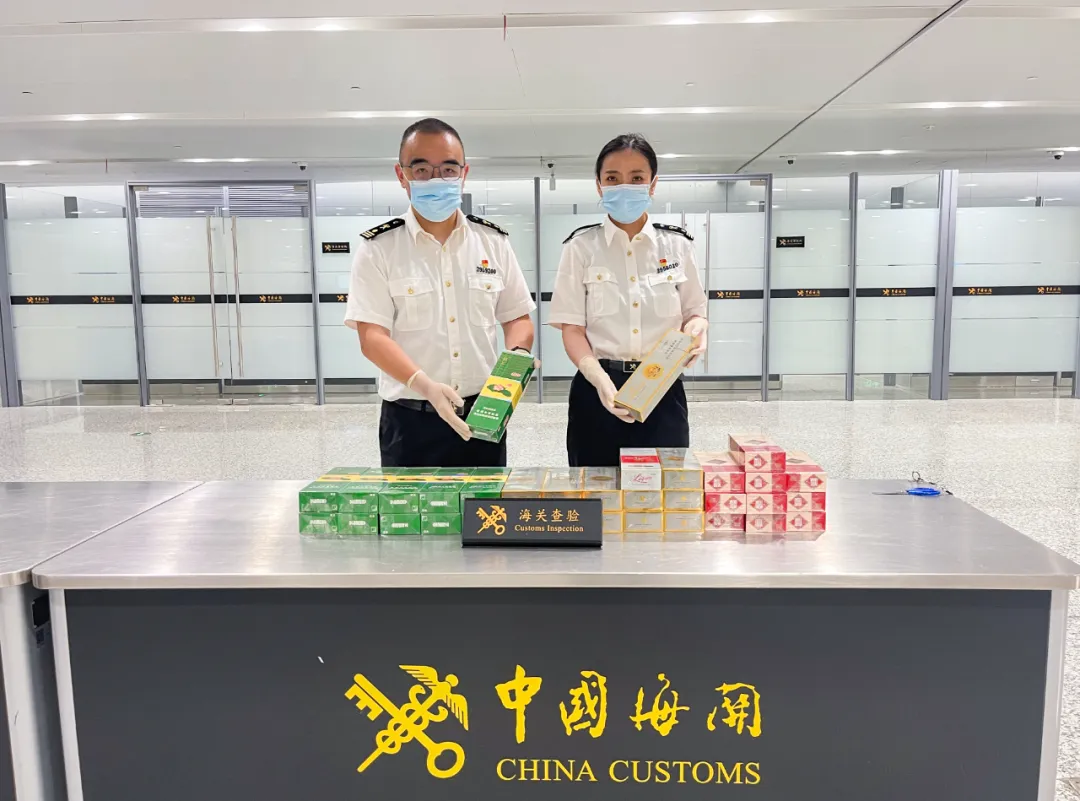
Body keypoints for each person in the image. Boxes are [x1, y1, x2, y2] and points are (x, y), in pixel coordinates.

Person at [345, 118, 536, 467]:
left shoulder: (493, 242)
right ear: (401, 175)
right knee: (409, 506)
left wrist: (517, 359)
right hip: (410, 421)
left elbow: (517, 318)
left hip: (483, 415)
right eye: (422, 169)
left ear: (464, 173)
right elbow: (371, 336)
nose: (436, 180)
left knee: (484, 503)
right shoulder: (378, 248)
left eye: (448, 169)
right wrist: (425, 385)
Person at [548, 133, 708, 467]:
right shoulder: (580, 248)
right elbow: (572, 328)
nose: (624, 186)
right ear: (599, 185)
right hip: (597, 389)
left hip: (661, 389)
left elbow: (695, 312)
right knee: (594, 489)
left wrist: (696, 331)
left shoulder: (678, 246)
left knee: (663, 489)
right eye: (612, 178)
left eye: (636, 178)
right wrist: (600, 381)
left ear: (653, 184)